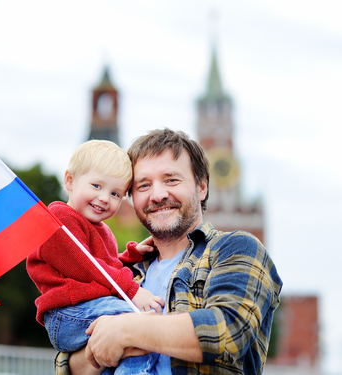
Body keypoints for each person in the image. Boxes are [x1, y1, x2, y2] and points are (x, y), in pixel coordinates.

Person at [55, 128, 283, 375]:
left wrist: (125, 330)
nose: (158, 195)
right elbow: (65, 364)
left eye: (171, 180)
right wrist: (94, 353)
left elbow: (227, 331)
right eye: (143, 185)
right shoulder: (123, 272)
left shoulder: (234, 249)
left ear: (202, 187)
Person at [27, 140, 165, 375]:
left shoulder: (100, 228)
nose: (104, 198)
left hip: (88, 308)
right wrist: (131, 290)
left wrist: (129, 257)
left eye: (115, 193)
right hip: (67, 312)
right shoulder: (59, 219)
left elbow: (101, 267)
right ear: (70, 181)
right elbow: (86, 267)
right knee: (139, 324)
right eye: (96, 186)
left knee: (116, 354)